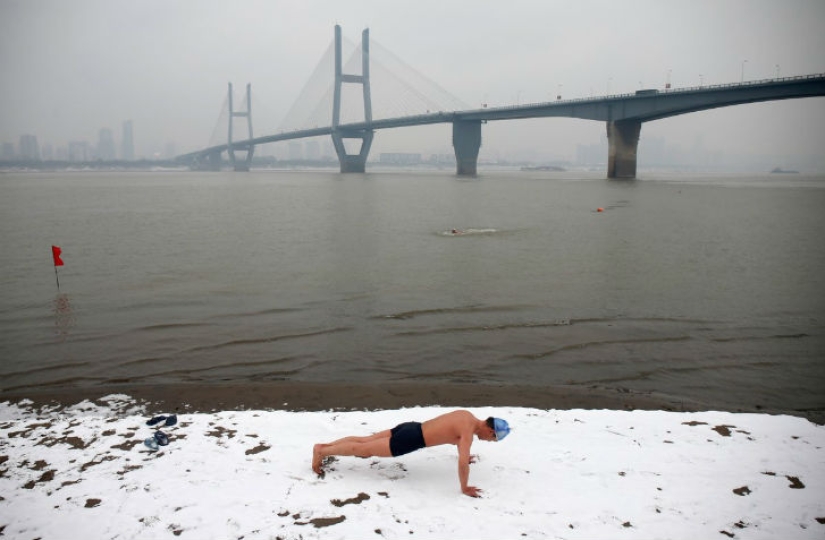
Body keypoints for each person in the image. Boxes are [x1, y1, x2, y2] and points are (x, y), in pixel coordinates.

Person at [311, 409, 510, 497]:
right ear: (491, 431)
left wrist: (466, 455)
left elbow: (452, 435)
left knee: (365, 441)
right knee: (363, 451)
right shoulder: (467, 433)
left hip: (411, 427)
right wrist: (465, 487)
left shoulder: (466, 416)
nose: (490, 441)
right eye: (493, 439)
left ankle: (324, 446)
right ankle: (322, 451)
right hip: (410, 440)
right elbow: (462, 463)